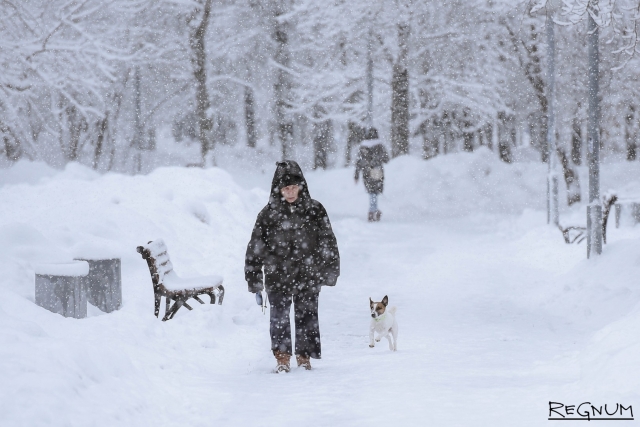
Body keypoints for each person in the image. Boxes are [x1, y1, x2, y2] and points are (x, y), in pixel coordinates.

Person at [245, 160, 340, 373]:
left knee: (307, 315)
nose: (290, 192)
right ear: (278, 189)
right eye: (286, 188)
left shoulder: (314, 210)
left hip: (308, 273)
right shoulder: (268, 214)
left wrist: (330, 269)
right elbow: (255, 246)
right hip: (277, 274)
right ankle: (282, 357)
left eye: (294, 187)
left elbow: (328, 240)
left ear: (301, 186)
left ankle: (304, 356)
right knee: (279, 316)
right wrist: (254, 278)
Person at [354, 127, 389, 222]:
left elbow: (358, 162)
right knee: (375, 191)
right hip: (377, 170)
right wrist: (377, 159)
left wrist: (356, 175)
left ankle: (372, 211)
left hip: (366, 171)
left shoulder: (363, 147)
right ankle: (373, 210)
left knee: (371, 191)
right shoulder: (380, 146)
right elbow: (386, 159)